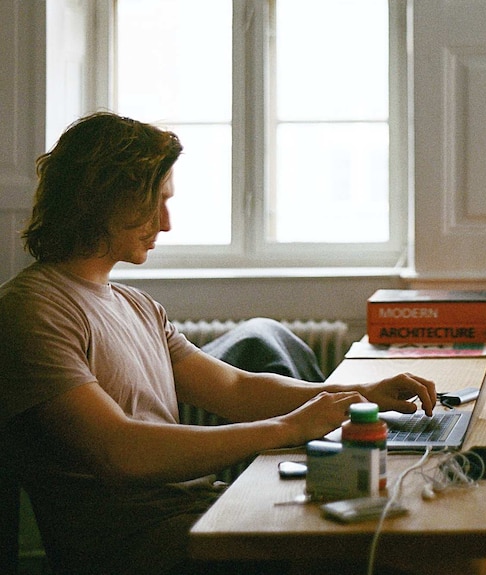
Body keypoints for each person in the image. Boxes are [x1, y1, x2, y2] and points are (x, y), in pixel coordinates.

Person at [0, 112, 439, 575]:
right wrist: (289, 428)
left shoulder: (138, 305)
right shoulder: (32, 311)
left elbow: (235, 390)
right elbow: (119, 451)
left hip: (193, 513)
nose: (166, 224)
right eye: (155, 203)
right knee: (403, 550)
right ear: (104, 198)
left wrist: (358, 397)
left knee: (415, 530)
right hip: (135, 547)